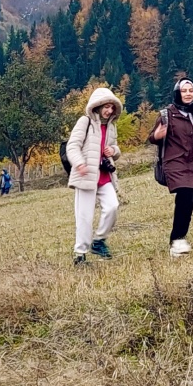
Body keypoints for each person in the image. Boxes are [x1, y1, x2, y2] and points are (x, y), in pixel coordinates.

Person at [150, 77, 193, 257]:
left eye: (190, 90)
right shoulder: (167, 114)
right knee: (185, 195)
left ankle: (178, 239)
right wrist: (158, 135)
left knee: (190, 202)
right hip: (175, 162)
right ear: (177, 93)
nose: (188, 94)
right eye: (184, 91)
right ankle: (177, 240)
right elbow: (152, 137)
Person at [67, 85, 123, 265]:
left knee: (112, 206)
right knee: (84, 217)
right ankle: (80, 255)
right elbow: (72, 146)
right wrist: (79, 163)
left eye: (112, 107)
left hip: (105, 175)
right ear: (97, 106)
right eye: (106, 106)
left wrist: (113, 150)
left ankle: (99, 241)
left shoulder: (112, 127)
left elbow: (116, 150)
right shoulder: (85, 122)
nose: (109, 110)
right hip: (85, 176)